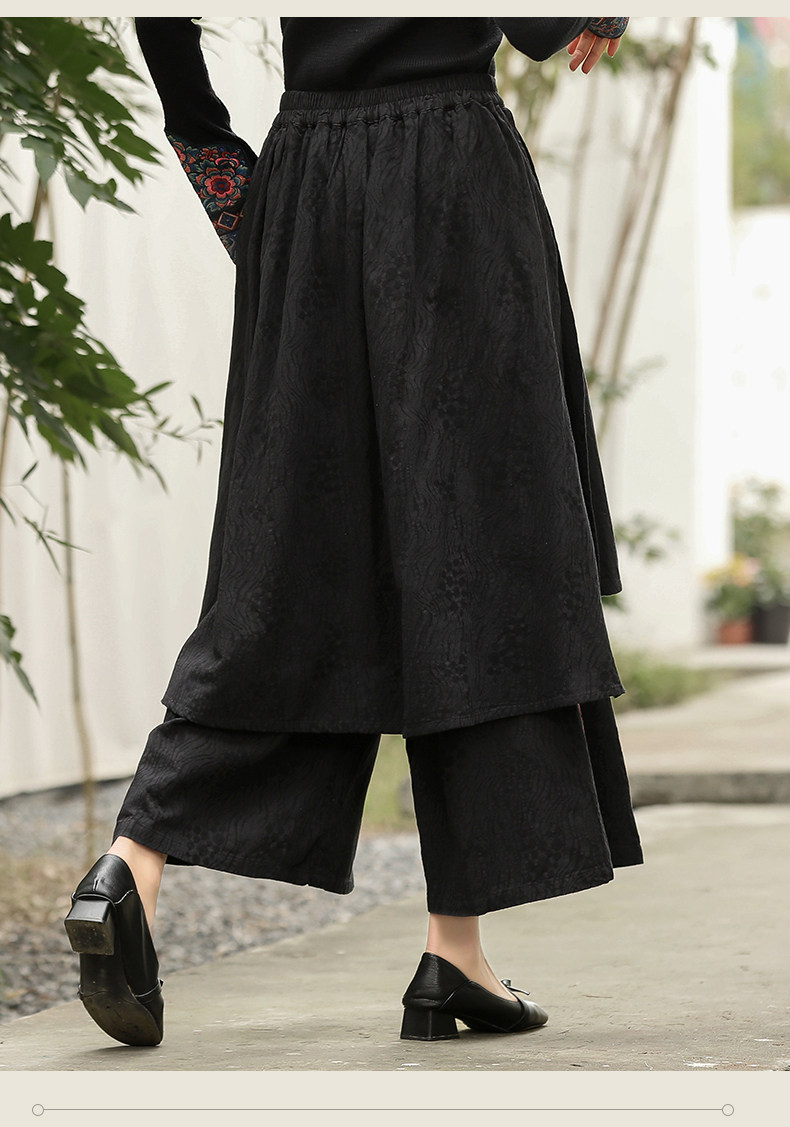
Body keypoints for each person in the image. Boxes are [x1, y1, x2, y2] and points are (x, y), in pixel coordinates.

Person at [64, 16, 643, 1048]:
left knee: (292, 559)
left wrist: (221, 167)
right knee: (479, 551)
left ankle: (137, 865)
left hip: (309, 182)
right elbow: (538, 26)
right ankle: (449, 947)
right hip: (456, 178)